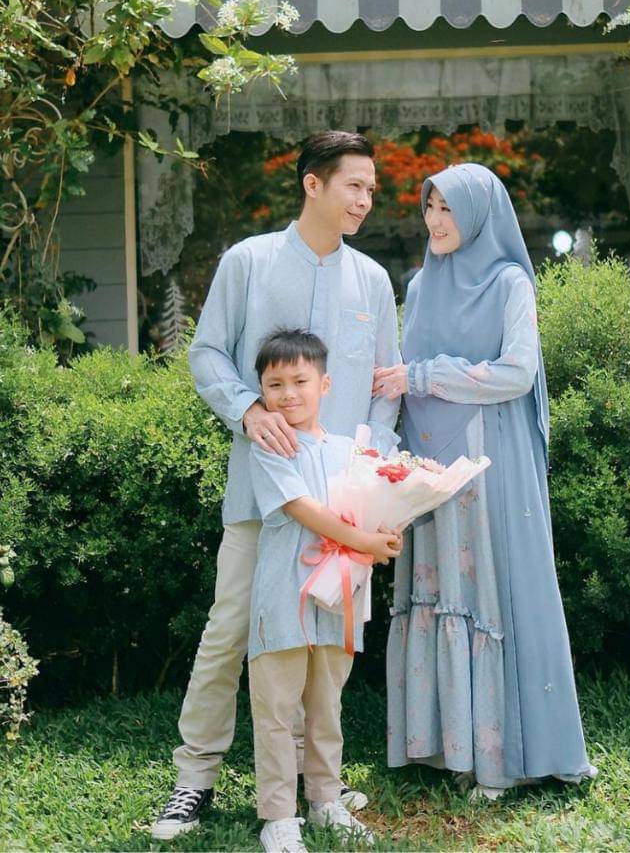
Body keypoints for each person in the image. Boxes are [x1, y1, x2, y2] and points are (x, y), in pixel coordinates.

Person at [152, 132, 400, 841]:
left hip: (340, 507)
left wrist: (369, 473)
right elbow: (206, 352)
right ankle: (194, 779)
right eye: (354, 185)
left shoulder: (373, 281)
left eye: (372, 189)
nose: (365, 199)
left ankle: (314, 783)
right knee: (230, 628)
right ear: (313, 184)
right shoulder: (249, 262)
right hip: (261, 494)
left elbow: (384, 387)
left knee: (324, 645)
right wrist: (248, 409)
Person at [374, 163, 596, 798]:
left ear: (479, 215)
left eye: (449, 208)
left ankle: (504, 759)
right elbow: (397, 373)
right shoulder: (420, 287)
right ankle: (450, 748)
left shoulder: (508, 284)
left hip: (487, 463)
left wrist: (425, 375)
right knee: (444, 588)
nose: (435, 220)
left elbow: (516, 373)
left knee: (489, 593)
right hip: (429, 468)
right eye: (430, 206)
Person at [248, 329, 402, 853]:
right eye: (275, 385)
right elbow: (302, 509)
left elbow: (370, 505)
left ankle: (325, 801)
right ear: (261, 392)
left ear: (326, 384)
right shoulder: (269, 447)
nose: (288, 394)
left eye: (300, 381)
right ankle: (278, 816)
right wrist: (363, 540)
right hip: (283, 597)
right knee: (276, 709)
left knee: (326, 705)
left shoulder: (349, 452)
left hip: (339, 599)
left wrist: (386, 531)